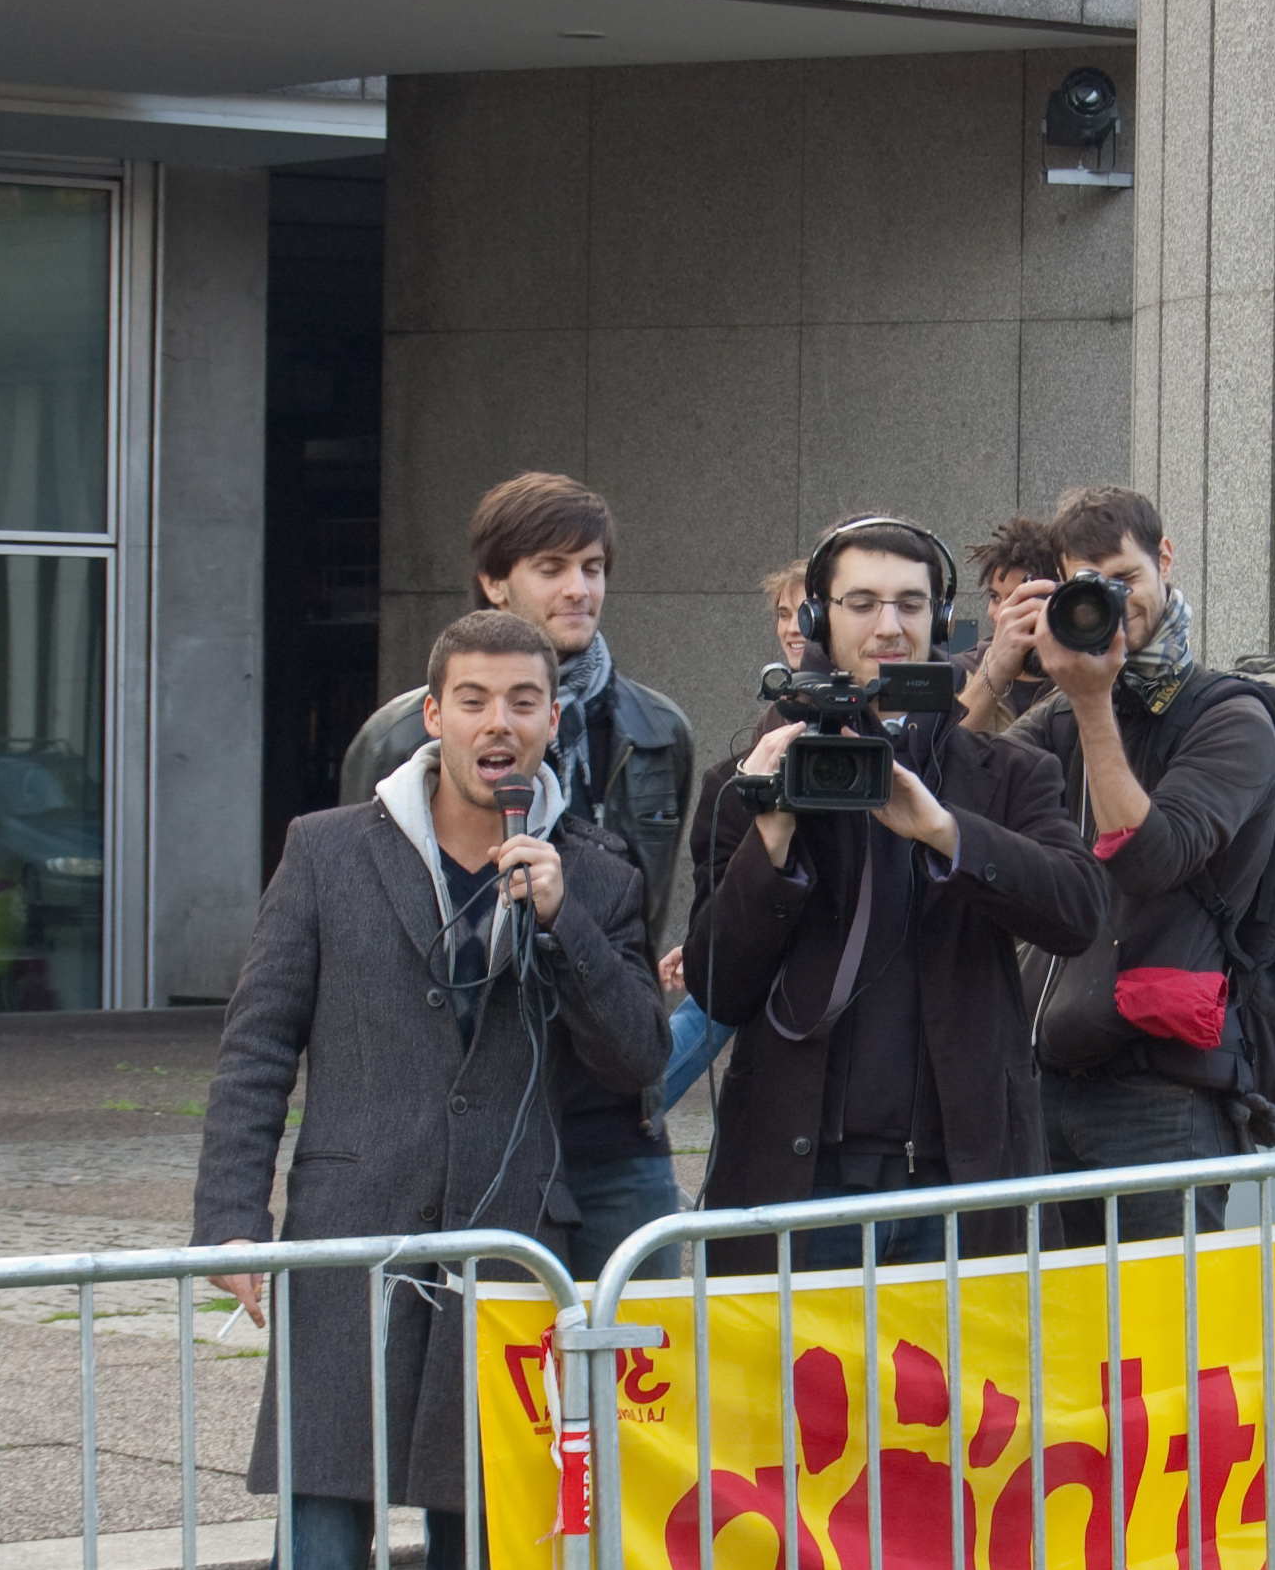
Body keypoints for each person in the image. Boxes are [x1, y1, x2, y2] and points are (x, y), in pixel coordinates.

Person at [194, 607, 669, 1570]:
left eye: (521, 701)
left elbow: (637, 1056)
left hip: (506, 1258)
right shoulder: (326, 849)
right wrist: (231, 1216)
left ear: (552, 719)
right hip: (349, 1246)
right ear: (431, 714)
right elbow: (257, 1045)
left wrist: (562, 920)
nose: (496, 724)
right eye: (472, 699)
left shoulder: (595, 869)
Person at [683, 515, 1103, 1263]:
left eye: (910, 604)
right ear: (818, 618)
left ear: (939, 619)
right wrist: (769, 838)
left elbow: (1077, 913)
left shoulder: (1006, 774)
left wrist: (946, 832)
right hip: (800, 1182)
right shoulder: (744, 779)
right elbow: (719, 985)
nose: (889, 625)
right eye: (862, 603)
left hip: (961, 1182)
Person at [1001, 484, 1275, 1243]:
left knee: (1164, 1318)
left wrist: (1092, 703)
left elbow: (1150, 858)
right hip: (1044, 1080)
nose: (1111, 602)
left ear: (1165, 560)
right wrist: (997, 668)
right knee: (1053, 1315)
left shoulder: (1231, 716)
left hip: (1162, 1099)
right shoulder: (1062, 711)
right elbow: (956, 789)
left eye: (1125, 578)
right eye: (1088, 585)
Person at [465, 473, 696, 1282]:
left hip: (616, 1114)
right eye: (552, 567)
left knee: (642, 1351)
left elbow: (641, 921)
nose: (579, 589)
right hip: (480, 1107)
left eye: (592, 567)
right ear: (495, 582)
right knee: (487, 1355)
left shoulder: (658, 730)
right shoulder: (408, 734)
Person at [652, 559, 815, 1112]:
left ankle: (626, 1114)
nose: (791, 627)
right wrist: (709, 940)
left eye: (804, 612)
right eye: (783, 613)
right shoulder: (760, 740)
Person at [951, 514, 1061, 731]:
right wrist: (995, 671)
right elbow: (945, 746)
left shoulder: (1078, 671)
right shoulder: (961, 672)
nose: (1001, 614)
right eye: (994, 597)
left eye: (1018, 599)